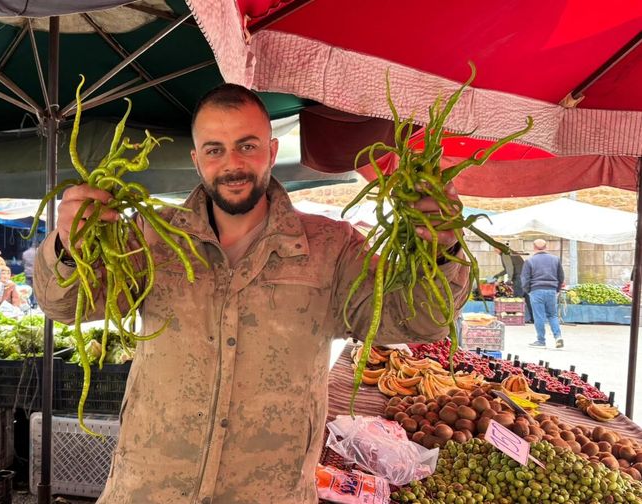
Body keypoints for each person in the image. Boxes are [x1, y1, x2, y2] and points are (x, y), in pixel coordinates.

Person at [34, 84, 471, 503]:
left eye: (247, 145)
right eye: (215, 149)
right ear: (197, 159)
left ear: (272, 151)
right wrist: (69, 248)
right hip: (150, 487)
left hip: (271, 492)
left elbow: (413, 319)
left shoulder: (332, 247)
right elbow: (65, 305)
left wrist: (442, 247)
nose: (233, 164)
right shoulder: (152, 236)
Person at [521, 238, 564, 348]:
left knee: (538, 316)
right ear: (546, 247)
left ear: (534, 248)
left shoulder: (529, 261)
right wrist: (557, 289)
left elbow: (525, 279)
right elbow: (561, 276)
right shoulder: (555, 259)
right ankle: (558, 337)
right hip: (551, 290)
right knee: (552, 315)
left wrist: (528, 291)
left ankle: (541, 341)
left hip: (536, 291)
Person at [21, 242, 37, 308]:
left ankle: (28, 302)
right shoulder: (38, 252)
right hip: (36, 273)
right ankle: (35, 303)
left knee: (28, 289)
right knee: (35, 289)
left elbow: (22, 263)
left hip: (27, 273)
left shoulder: (25, 253)